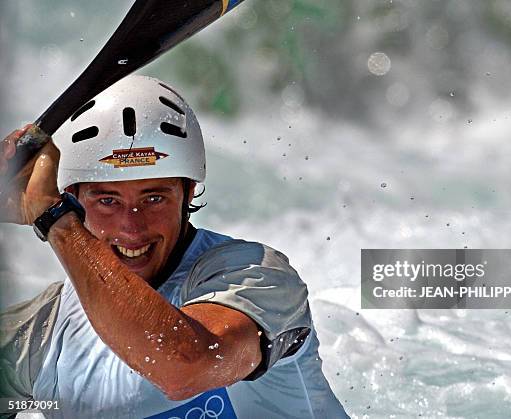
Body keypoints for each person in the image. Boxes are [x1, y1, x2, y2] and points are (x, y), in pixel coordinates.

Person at [0, 75, 348, 419]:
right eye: (108, 200)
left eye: (154, 198)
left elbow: (183, 368)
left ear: (189, 193)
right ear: (74, 197)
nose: (132, 226)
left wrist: (56, 221)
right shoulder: (40, 333)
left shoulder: (257, 279)